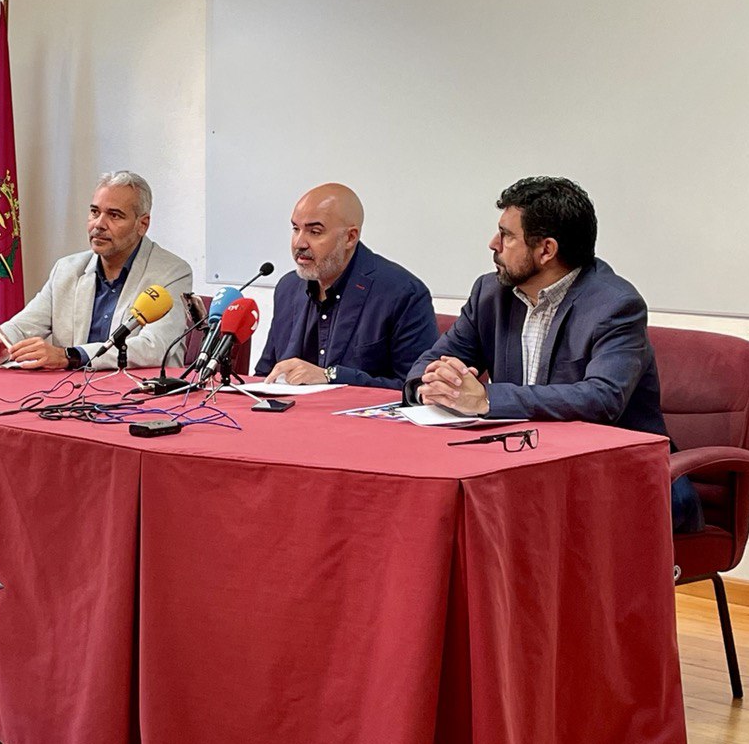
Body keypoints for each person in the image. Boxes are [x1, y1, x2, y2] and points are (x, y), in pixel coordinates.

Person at [404, 176, 703, 532]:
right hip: (523, 464)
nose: (493, 244)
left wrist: (486, 399)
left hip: (614, 476)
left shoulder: (615, 304)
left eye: (507, 235)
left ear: (546, 250)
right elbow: (431, 362)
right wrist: (433, 385)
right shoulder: (490, 293)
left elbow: (602, 398)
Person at [0, 171, 192, 371]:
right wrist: (1, 343)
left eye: (114, 215)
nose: (99, 224)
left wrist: (70, 356)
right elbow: (24, 326)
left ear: (142, 224)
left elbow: (153, 347)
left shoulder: (171, 272)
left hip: (139, 393)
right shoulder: (67, 269)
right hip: (72, 392)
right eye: (95, 212)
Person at [255, 183, 437, 388]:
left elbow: (417, 388)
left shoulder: (402, 293)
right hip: (292, 408)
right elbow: (265, 374)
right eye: (296, 229)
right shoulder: (288, 288)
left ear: (350, 237)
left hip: (361, 409)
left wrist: (332, 376)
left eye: (315, 232)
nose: (299, 243)